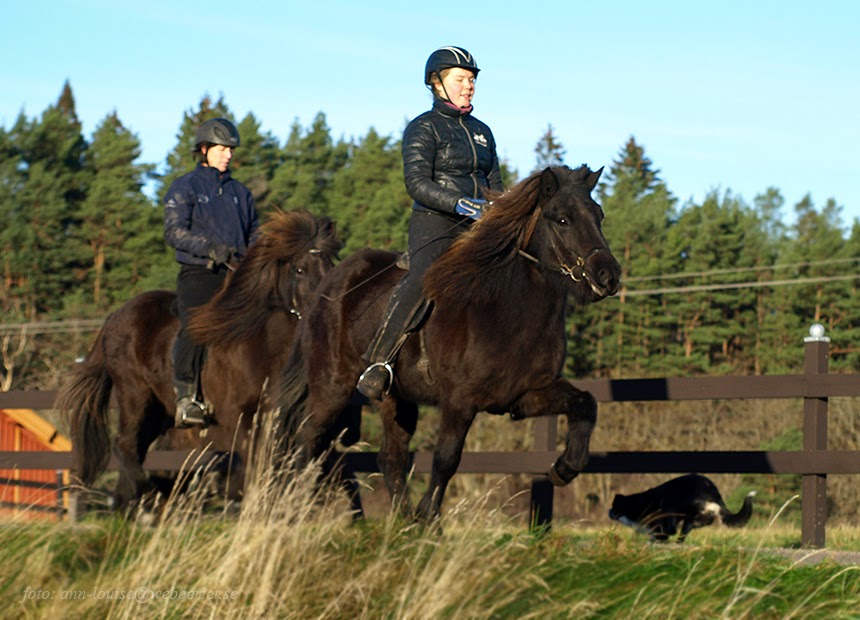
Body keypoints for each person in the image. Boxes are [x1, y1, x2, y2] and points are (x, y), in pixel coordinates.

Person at [356, 46, 503, 400]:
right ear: (437, 84)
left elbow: (495, 184)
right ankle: (380, 361)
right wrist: (460, 203)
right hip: (435, 222)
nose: (469, 86)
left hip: (479, 226)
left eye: (471, 79)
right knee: (423, 276)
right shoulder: (423, 127)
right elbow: (417, 183)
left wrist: (501, 209)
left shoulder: (483, 131)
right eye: (460, 79)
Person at [163, 117, 260, 427]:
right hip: (200, 273)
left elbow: (254, 232)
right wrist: (210, 248)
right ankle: (186, 396)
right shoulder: (184, 187)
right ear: (203, 150)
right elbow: (174, 232)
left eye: (230, 150)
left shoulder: (241, 193)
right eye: (221, 149)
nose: (228, 155)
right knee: (196, 325)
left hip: (238, 274)